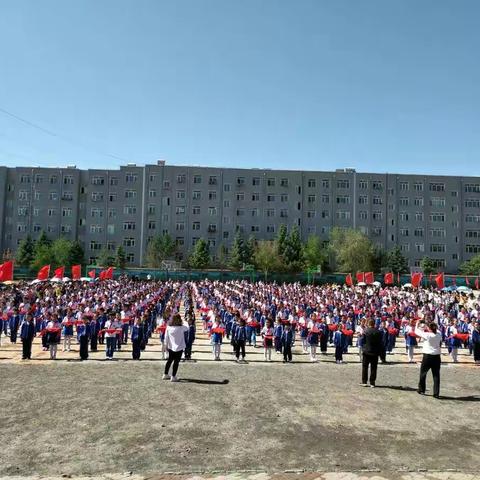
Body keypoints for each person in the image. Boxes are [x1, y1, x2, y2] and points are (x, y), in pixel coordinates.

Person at [415, 321, 442, 398]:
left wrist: (418, 323)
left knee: (423, 373)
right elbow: (436, 330)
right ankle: (436, 393)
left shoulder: (427, 335)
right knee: (436, 375)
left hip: (427, 356)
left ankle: (421, 389)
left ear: (429, 329)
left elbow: (417, 331)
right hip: (436, 356)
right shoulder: (439, 334)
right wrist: (427, 326)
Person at [163, 313, 188, 381]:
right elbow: (187, 327)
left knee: (169, 361)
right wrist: (184, 320)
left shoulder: (169, 327)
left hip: (171, 347)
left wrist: (165, 346)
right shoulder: (182, 327)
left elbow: (166, 337)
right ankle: (173, 376)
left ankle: (165, 374)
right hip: (179, 347)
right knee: (176, 362)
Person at [361, 319, 382, 388]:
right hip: (375, 352)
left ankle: (364, 381)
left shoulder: (365, 331)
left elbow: (362, 341)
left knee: (365, 367)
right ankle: (372, 382)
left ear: (368, 323)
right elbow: (380, 343)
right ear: (374, 324)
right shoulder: (378, 332)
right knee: (373, 368)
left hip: (366, 351)